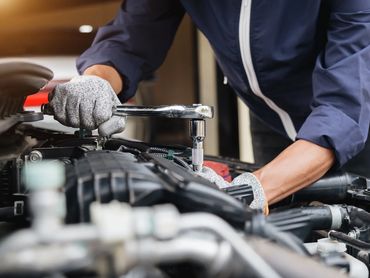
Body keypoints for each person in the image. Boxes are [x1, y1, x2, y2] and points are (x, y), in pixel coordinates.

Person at [49, 1, 370, 213]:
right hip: (272, 119)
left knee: (355, 239)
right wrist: (96, 80)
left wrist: (250, 191)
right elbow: (131, 37)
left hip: (359, 125)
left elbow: (344, 109)